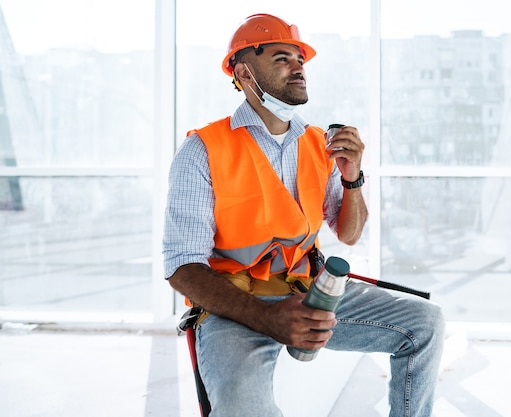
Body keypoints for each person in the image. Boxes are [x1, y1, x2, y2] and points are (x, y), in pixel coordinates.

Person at [163, 13, 445, 417]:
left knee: (425, 325)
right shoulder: (202, 151)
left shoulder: (318, 144)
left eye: (300, 59)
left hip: (307, 291)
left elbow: (347, 234)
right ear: (244, 73)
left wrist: (352, 179)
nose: (298, 67)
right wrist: (267, 318)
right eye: (282, 58)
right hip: (234, 304)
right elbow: (181, 266)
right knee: (244, 408)